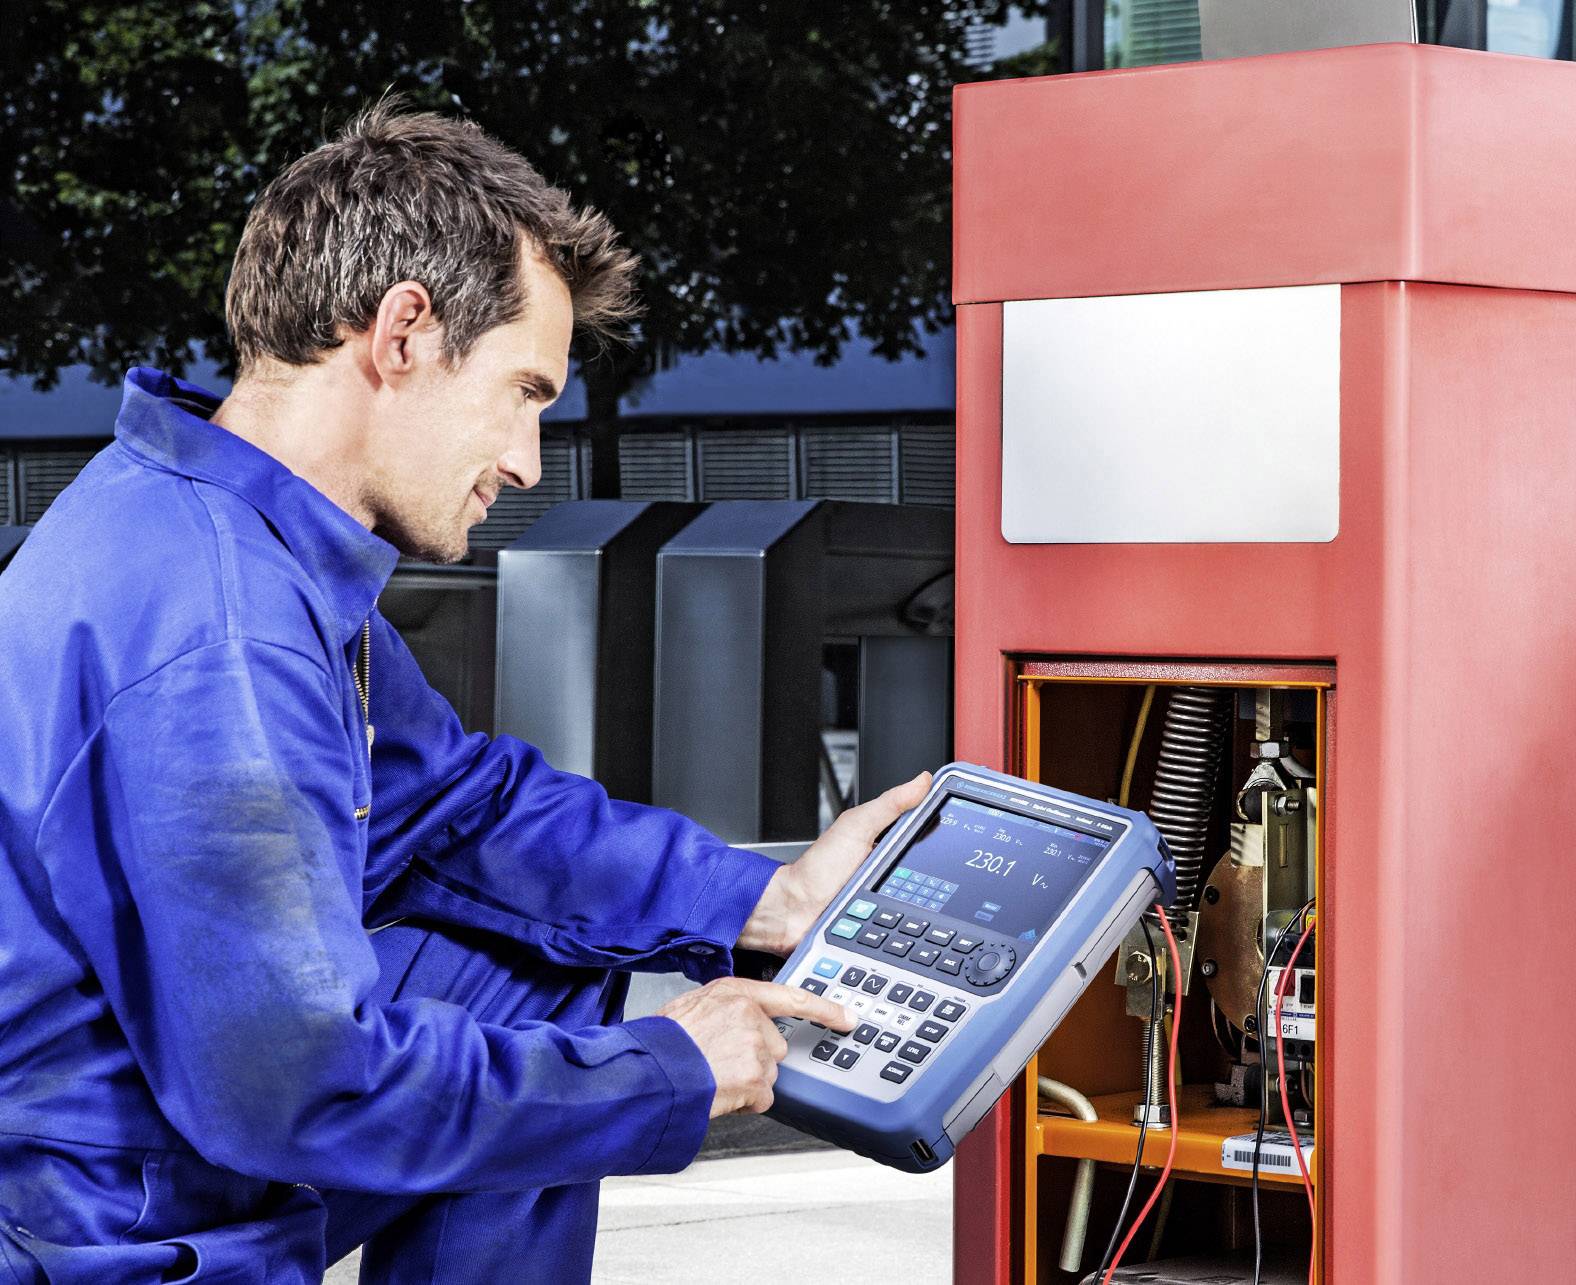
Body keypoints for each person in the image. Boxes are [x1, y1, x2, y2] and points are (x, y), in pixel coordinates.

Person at [0, 103, 929, 1283]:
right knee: (577, 1063)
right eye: (524, 391)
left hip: (153, 1125)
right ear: (402, 334)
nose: (528, 460)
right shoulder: (223, 633)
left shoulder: (218, 525)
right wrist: (667, 1071)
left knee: (538, 972)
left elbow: (461, 810)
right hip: (110, 1224)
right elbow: (299, 1085)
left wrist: (771, 896)